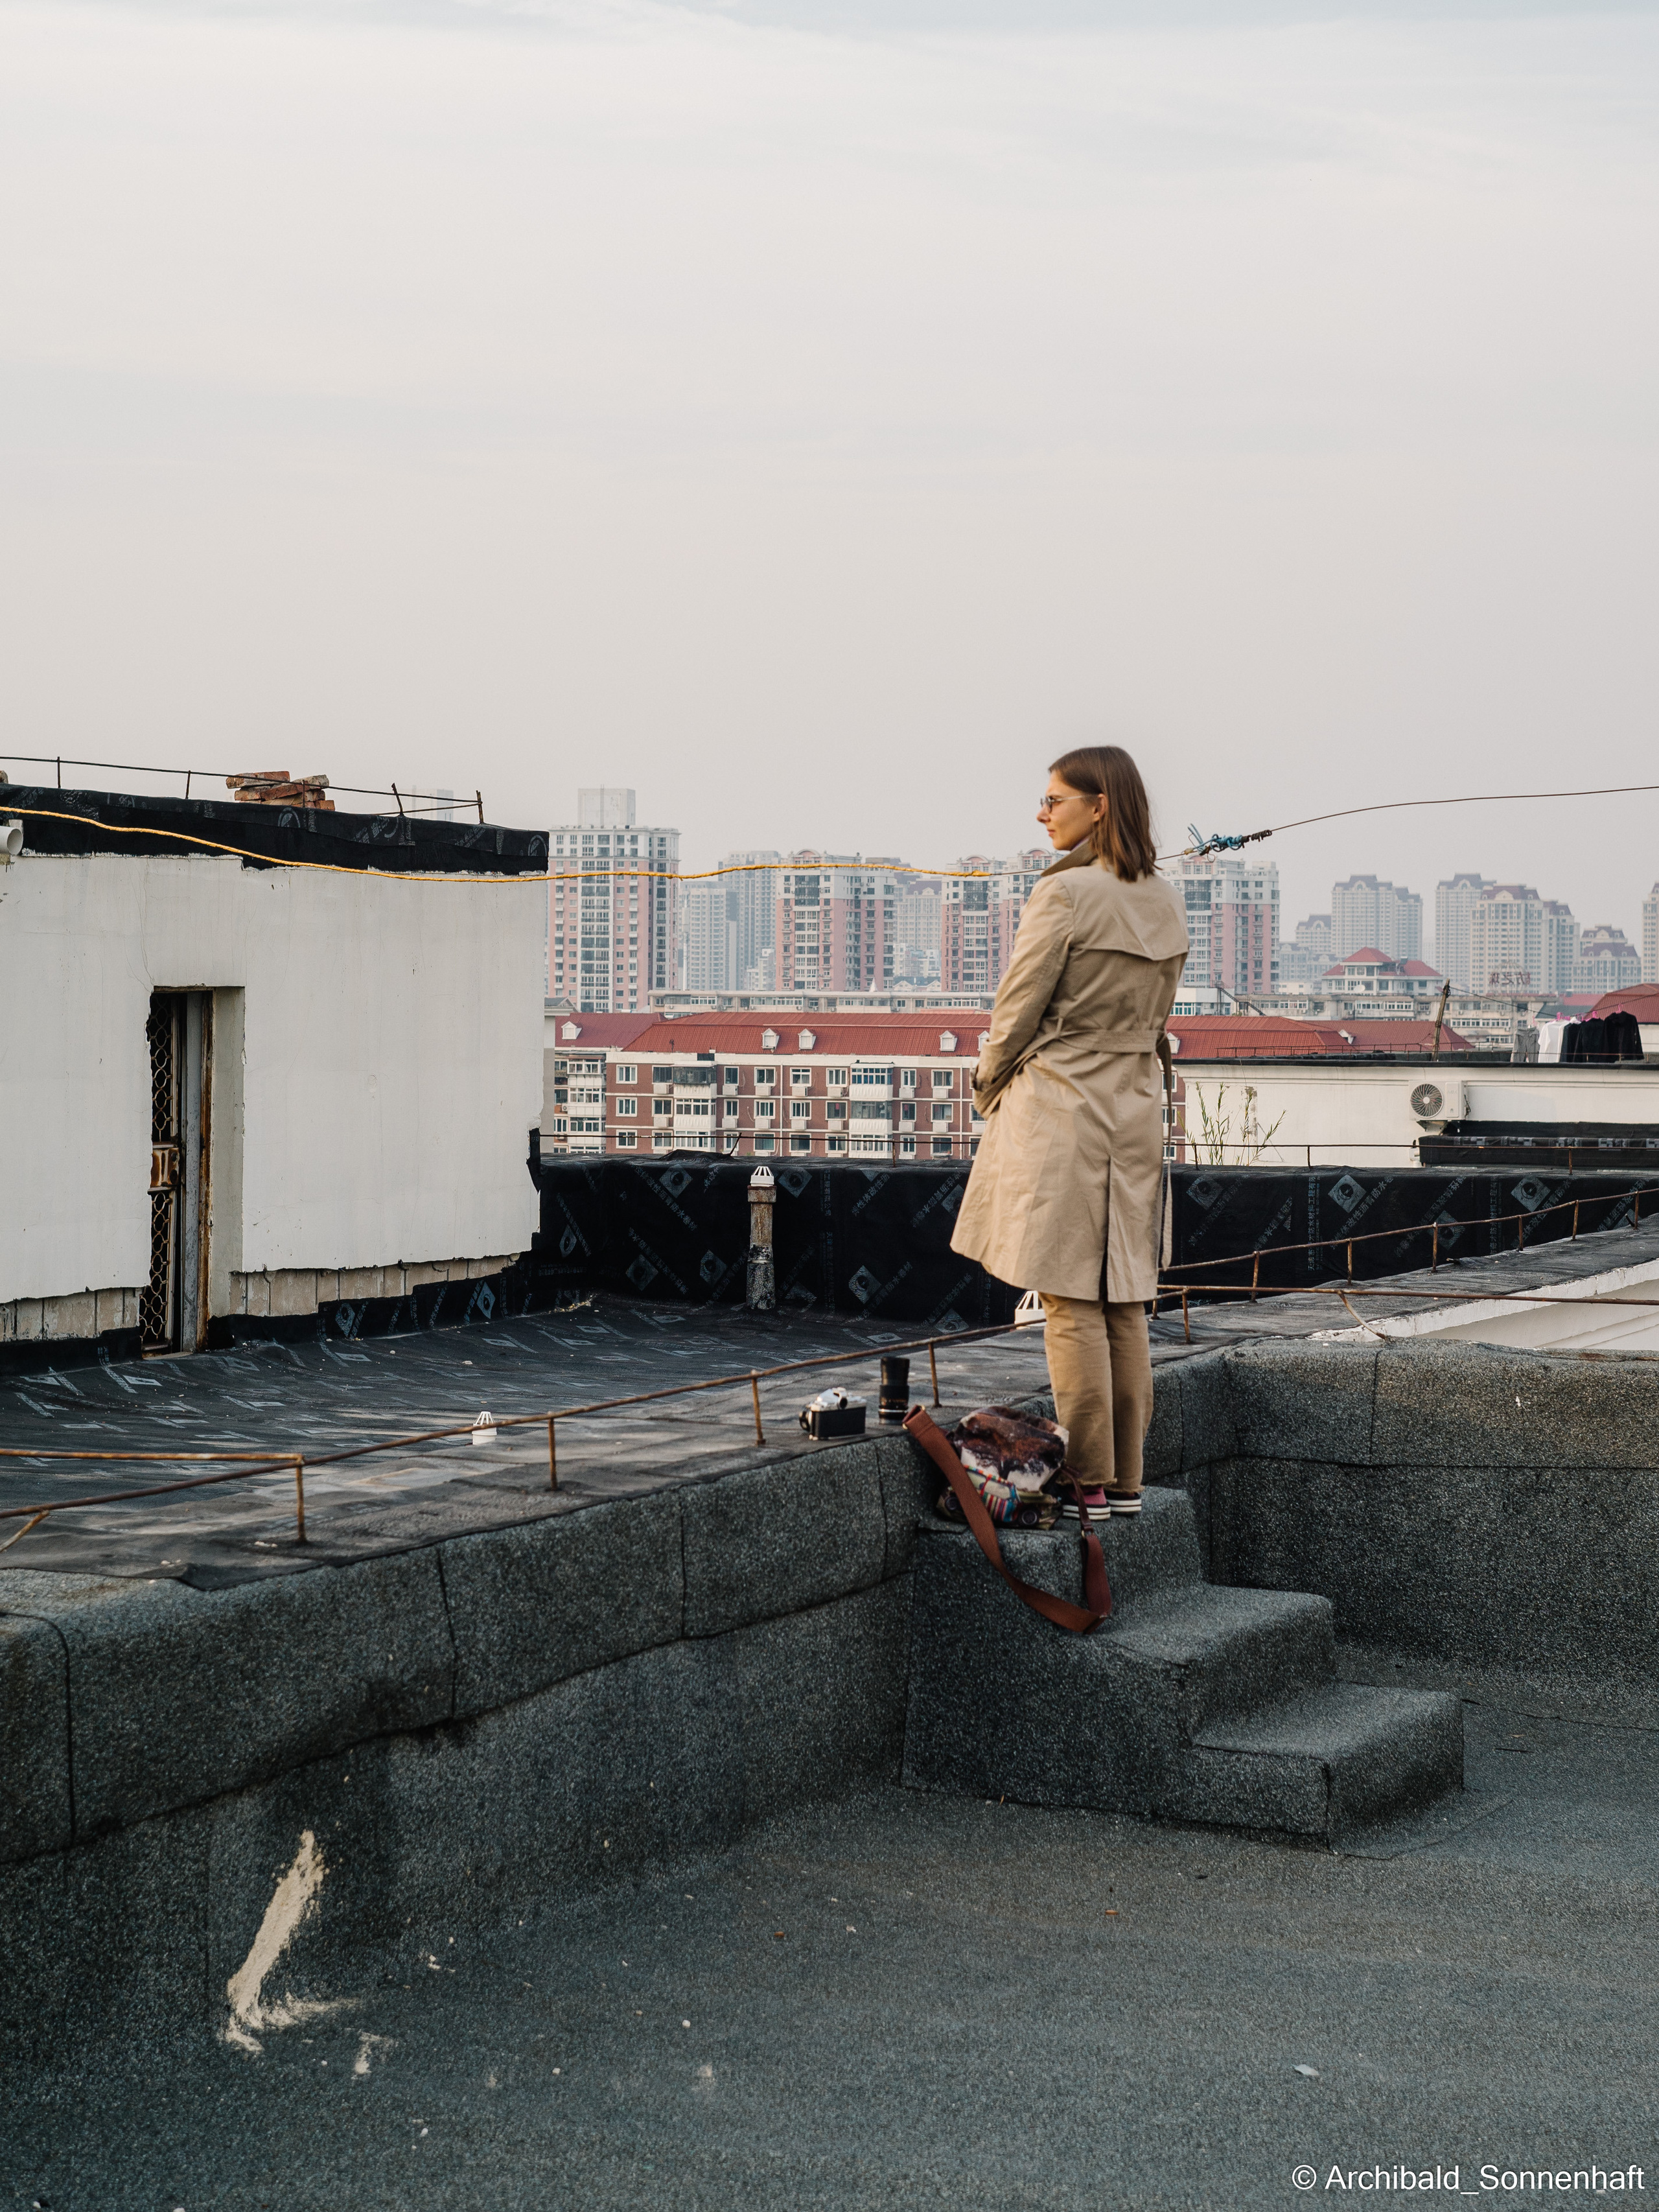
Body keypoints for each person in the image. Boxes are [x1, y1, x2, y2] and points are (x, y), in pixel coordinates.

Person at [950, 745, 1189, 1517]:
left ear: (1100, 807)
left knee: (1067, 1301)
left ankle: (1083, 1478)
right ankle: (1122, 1481)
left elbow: (1016, 1010)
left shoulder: (1063, 896)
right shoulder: (1164, 897)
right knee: (1123, 1299)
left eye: (1055, 799)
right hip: (1132, 1107)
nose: (1041, 812)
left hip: (1060, 1106)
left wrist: (987, 1084)